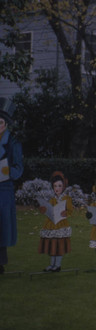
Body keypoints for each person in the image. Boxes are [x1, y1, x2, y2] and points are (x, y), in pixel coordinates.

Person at [0, 98, 23, 274]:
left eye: (0, 122)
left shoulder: (13, 143)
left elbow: (18, 169)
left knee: (3, 226)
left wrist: (6, 172)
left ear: (6, 124)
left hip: (4, 190)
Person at [38, 171, 73, 272]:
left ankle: (57, 265)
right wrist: (44, 210)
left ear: (63, 186)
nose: (57, 188)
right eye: (55, 186)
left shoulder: (67, 199)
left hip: (61, 225)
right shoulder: (52, 199)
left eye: (59, 186)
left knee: (59, 245)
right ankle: (52, 264)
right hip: (52, 224)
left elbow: (70, 210)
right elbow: (49, 209)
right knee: (52, 245)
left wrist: (65, 213)